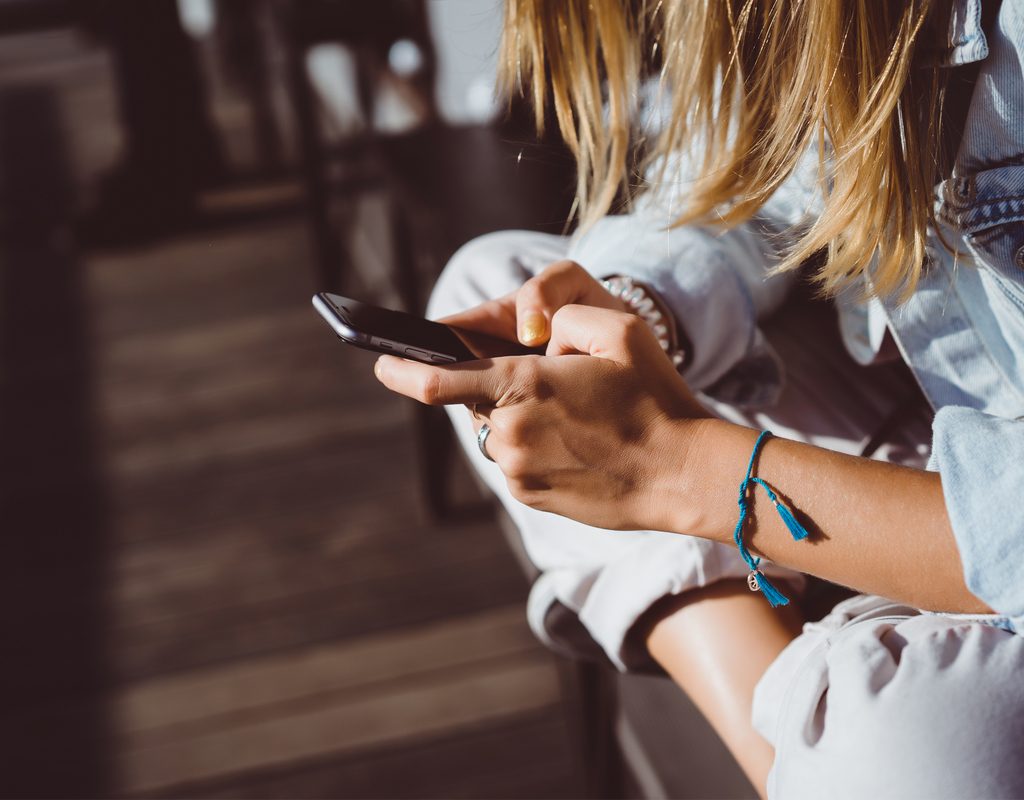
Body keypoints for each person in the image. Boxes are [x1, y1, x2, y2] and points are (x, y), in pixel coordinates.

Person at [374, 1, 1024, 797]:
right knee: (495, 298)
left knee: (924, 756)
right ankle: (800, 743)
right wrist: (641, 309)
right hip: (942, 426)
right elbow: (756, 184)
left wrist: (684, 471)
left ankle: (825, 742)